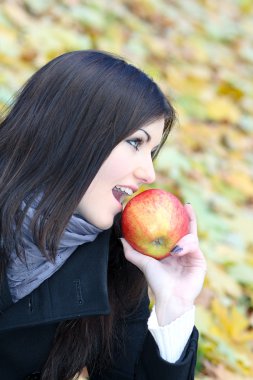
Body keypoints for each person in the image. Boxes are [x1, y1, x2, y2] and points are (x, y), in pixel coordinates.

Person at [0, 50, 207, 380]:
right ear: (73, 132)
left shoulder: (115, 266)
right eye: (135, 142)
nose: (148, 173)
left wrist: (174, 306)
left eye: (152, 152)